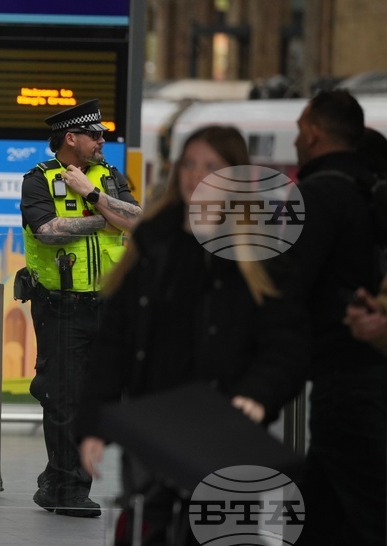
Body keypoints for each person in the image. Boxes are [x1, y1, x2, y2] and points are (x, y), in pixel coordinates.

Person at [76, 125, 309, 545]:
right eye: (189, 164)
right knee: (151, 530)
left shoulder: (258, 254)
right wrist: (95, 425)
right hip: (153, 427)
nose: (195, 176)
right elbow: (114, 345)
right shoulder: (152, 244)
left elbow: (285, 342)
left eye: (210, 166)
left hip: (222, 429)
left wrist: (257, 394)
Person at [268, 89, 387, 545]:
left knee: (364, 513)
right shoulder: (369, 190)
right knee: (319, 511)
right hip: (364, 373)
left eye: (301, 130)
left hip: (344, 380)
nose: (297, 140)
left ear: (315, 133)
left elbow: (287, 284)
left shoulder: (317, 195)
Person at [18, 98, 141, 518]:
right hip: (61, 307)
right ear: (71, 138)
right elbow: (47, 231)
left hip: (108, 305)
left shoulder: (109, 177)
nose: (102, 141)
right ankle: (68, 488)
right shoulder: (38, 180)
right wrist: (105, 218)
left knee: (103, 398)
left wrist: (92, 195)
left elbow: (138, 221)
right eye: (94, 135)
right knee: (63, 397)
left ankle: (57, 479)